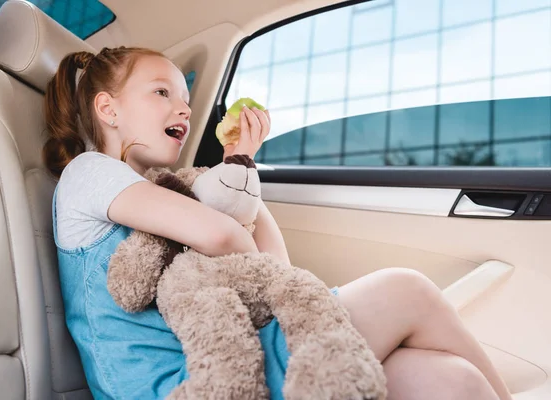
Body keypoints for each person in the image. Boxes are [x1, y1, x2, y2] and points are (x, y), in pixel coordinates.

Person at [44, 46, 512, 400]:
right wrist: (229, 218)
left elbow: (277, 272)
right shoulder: (89, 173)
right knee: (406, 289)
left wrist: (240, 170)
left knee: (448, 380)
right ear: (108, 109)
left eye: (186, 99)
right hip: (178, 383)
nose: (184, 109)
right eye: (162, 92)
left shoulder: (175, 190)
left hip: (236, 353)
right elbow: (221, 236)